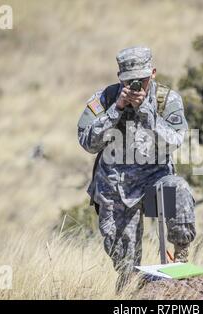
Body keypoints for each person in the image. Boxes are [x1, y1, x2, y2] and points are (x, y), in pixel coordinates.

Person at [77, 46, 196, 293]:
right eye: (129, 81)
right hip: (114, 187)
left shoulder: (167, 100)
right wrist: (116, 110)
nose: (135, 86)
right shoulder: (105, 99)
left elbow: (174, 141)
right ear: (120, 77)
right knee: (126, 265)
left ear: (152, 73)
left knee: (178, 188)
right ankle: (131, 295)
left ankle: (181, 254)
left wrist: (146, 112)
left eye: (140, 79)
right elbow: (87, 142)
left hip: (155, 181)